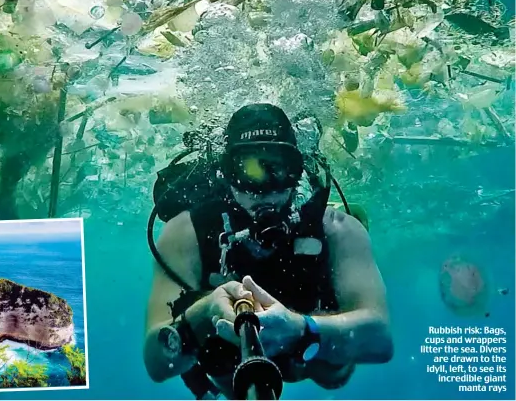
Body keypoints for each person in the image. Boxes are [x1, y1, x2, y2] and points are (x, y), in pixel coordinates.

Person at [144, 103, 393, 399]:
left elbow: (381, 341)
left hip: (309, 352)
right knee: (222, 362)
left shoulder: (340, 229)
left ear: (297, 171)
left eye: (278, 168)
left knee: (331, 373)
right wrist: (203, 314)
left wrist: (303, 330)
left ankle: (317, 340)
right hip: (232, 362)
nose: (263, 189)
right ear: (226, 173)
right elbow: (156, 363)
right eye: (248, 170)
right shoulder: (186, 232)